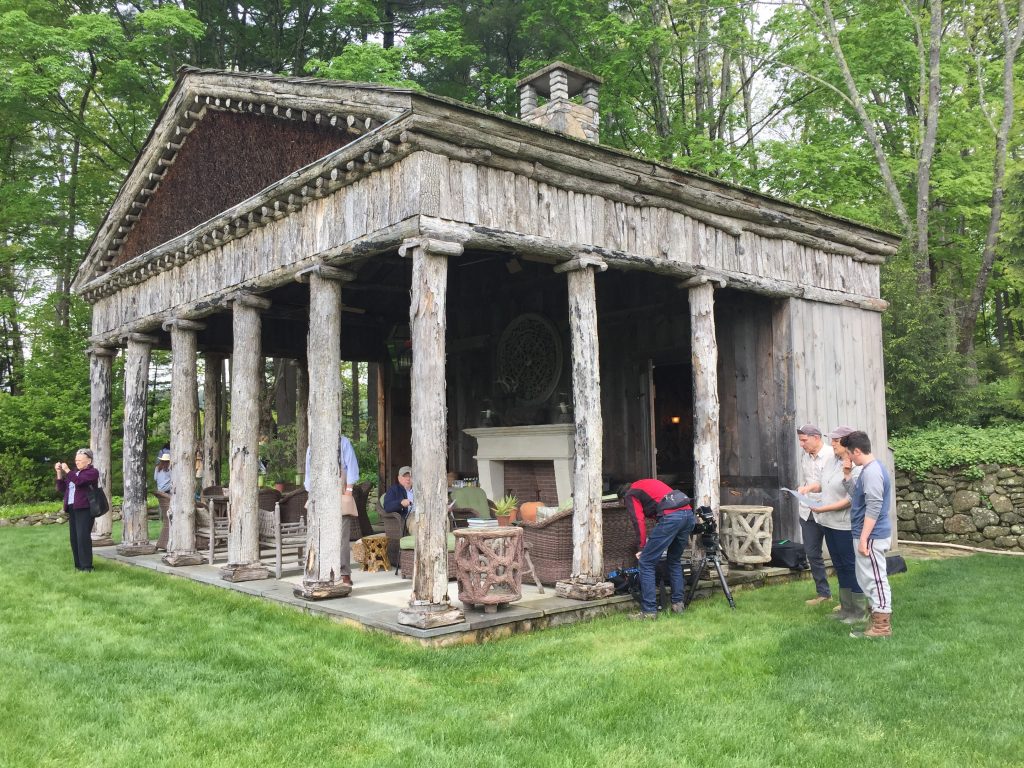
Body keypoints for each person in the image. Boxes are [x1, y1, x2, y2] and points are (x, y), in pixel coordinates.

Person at [807, 426, 866, 623]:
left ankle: (858, 611)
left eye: (835, 441)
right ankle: (845, 607)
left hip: (844, 525)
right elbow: (826, 484)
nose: (831, 444)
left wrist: (824, 508)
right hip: (829, 523)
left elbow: (852, 499)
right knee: (839, 566)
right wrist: (809, 492)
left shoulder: (855, 466)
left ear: (846, 442)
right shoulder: (832, 461)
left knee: (849, 566)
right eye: (831, 440)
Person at [841, 430, 894, 638]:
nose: (848, 458)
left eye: (849, 454)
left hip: (871, 536)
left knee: (876, 580)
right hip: (866, 535)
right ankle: (875, 624)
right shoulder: (868, 469)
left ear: (857, 451)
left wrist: (864, 538)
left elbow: (873, 506)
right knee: (866, 579)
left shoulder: (872, 472)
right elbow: (859, 498)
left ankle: (882, 627)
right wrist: (847, 476)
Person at [622, 478, 696, 620]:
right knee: (673, 560)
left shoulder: (630, 494)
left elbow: (638, 520)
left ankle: (649, 611)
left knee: (646, 562)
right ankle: (678, 605)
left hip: (672, 518)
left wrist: (642, 547)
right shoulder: (647, 484)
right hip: (688, 515)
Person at [304, 434, 359, 587]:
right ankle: (323, 571)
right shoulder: (312, 444)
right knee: (321, 534)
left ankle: (344, 574)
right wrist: (311, 492)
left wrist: (348, 491)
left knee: (342, 536)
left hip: (340, 491)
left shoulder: (344, 442)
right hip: (320, 492)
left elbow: (352, 466)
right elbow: (309, 471)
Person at [795, 424, 834, 605]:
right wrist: (801, 489)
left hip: (828, 511)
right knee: (812, 553)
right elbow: (807, 479)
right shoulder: (805, 456)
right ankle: (823, 594)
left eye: (804, 440)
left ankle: (849, 597)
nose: (801, 444)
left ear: (816, 438)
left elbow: (829, 483)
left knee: (838, 554)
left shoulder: (831, 455)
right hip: (808, 511)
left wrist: (809, 488)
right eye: (800, 441)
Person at [55, 448, 99, 572]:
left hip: (85, 508)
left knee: (83, 536)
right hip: (72, 507)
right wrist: (59, 472)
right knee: (74, 537)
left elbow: (79, 482)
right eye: (76, 460)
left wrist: (67, 470)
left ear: (88, 461)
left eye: (80, 460)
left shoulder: (92, 472)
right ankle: (78, 565)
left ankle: (87, 566)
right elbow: (62, 488)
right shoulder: (74, 473)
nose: (77, 462)